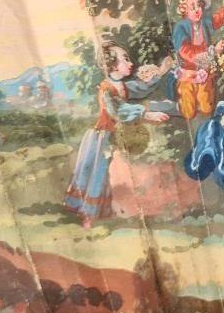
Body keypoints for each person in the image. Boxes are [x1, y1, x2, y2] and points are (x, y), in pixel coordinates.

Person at [64, 42, 172, 229]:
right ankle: (88, 215)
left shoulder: (122, 85)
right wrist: (147, 114)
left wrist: (161, 72)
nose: (131, 63)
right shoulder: (107, 88)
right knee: (96, 173)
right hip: (101, 136)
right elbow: (118, 110)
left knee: (110, 173)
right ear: (112, 66)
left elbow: (142, 87)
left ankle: (103, 210)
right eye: (125, 60)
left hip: (114, 134)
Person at [170, 0, 224, 121]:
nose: (197, 10)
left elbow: (219, 18)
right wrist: (213, 51)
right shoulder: (180, 27)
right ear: (184, 9)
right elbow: (187, 53)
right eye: (192, 7)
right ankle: (176, 106)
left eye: (199, 6)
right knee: (188, 112)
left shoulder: (205, 22)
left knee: (207, 107)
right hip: (188, 74)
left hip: (204, 71)